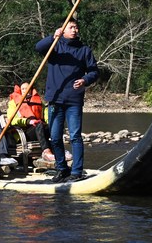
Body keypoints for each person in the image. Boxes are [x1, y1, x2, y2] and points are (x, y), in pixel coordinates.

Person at [35, 19, 99, 183]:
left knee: (75, 136)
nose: (75, 30)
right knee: (55, 137)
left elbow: (94, 71)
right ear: (63, 30)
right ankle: (62, 169)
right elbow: (38, 48)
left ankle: (76, 171)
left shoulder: (84, 50)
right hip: (55, 99)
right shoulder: (55, 46)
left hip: (74, 100)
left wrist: (85, 80)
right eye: (71, 27)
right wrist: (52, 37)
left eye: (76, 27)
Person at [7, 81, 58, 163]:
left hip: (39, 129)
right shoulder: (13, 103)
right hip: (24, 133)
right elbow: (12, 120)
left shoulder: (38, 102)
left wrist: (52, 124)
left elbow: (46, 116)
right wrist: (28, 121)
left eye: (27, 88)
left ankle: (59, 149)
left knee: (54, 126)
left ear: (31, 89)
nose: (24, 90)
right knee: (39, 125)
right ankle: (46, 151)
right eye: (22, 89)